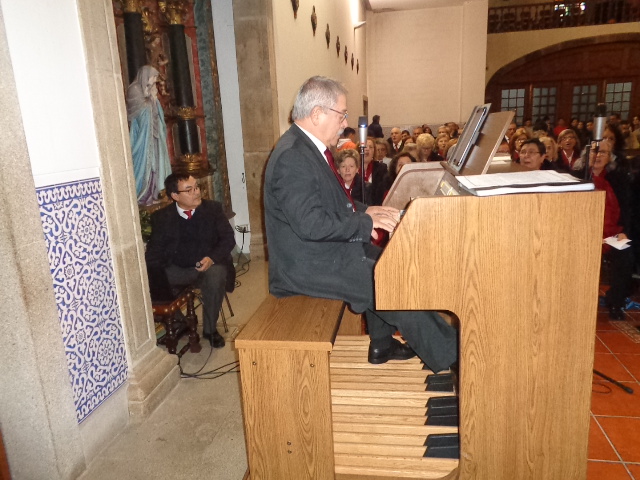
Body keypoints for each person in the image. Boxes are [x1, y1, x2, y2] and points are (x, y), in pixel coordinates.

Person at [264, 76, 457, 371]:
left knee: (390, 263)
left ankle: (382, 344)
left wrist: (370, 210)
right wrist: (365, 222)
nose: (345, 123)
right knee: (396, 283)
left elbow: (331, 203)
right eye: (342, 115)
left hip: (320, 253)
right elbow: (311, 224)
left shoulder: (306, 147)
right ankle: (453, 359)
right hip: (305, 267)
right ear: (317, 114)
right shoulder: (293, 157)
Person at [145, 173, 236, 348]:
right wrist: (152, 270)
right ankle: (181, 322)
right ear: (175, 195)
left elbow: (228, 239)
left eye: (196, 187)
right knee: (149, 279)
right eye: (189, 190)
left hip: (208, 266)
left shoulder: (213, 209)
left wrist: (212, 258)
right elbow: (154, 251)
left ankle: (210, 329)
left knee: (216, 275)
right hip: (178, 269)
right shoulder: (162, 217)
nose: (197, 192)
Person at [127, 65, 172, 206]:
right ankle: (143, 194)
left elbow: (156, 110)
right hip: (143, 136)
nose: (154, 80)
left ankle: (155, 192)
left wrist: (154, 99)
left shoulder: (150, 87)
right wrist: (149, 99)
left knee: (156, 164)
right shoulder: (134, 89)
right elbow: (137, 110)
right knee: (144, 163)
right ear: (145, 75)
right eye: (153, 77)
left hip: (154, 134)